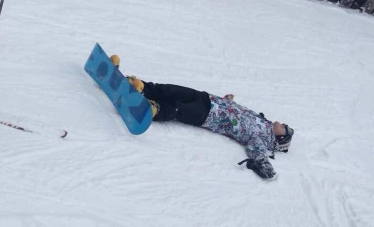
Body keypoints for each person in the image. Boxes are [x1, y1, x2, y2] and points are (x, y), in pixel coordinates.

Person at [110, 56, 294, 179]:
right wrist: (228, 101)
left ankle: (153, 109)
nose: (283, 124)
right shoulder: (263, 121)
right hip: (209, 99)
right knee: (167, 90)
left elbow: (257, 151)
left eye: (285, 128)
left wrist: (265, 166)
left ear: (280, 139)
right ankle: (133, 83)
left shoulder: (262, 139)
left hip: (209, 116)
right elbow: (239, 112)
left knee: (177, 108)